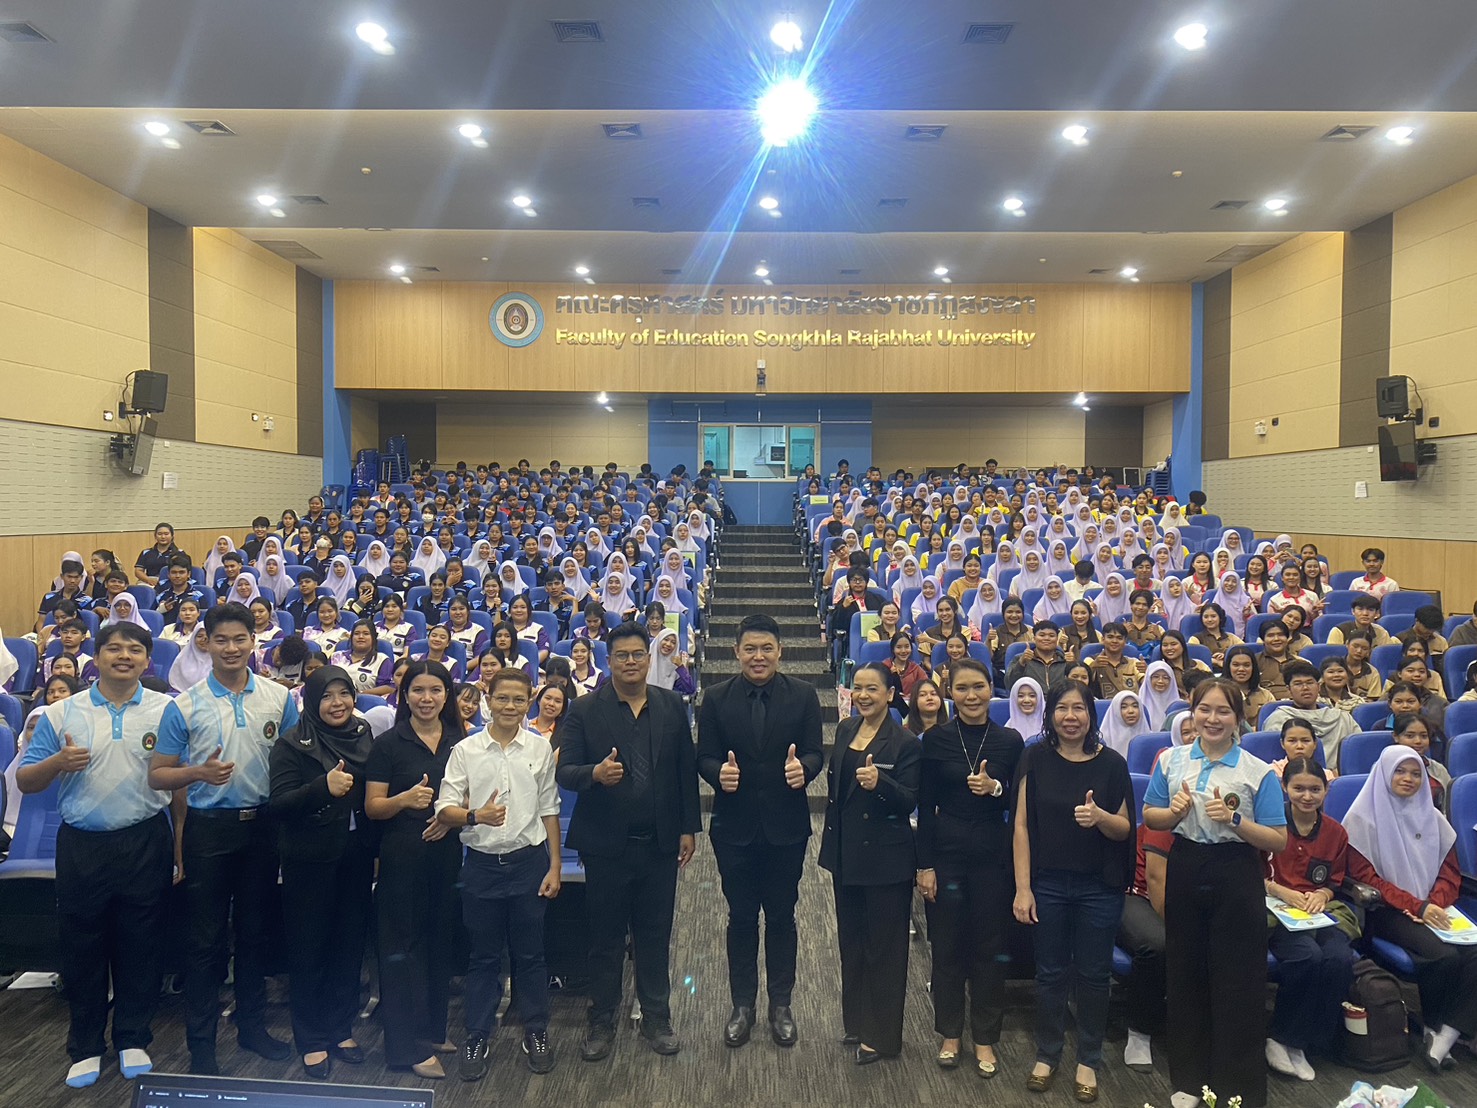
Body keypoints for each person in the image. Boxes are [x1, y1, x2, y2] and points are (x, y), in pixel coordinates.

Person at [16, 622, 175, 1089]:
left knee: (141, 944)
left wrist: (182, 847)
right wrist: (57, 763)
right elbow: (26, 780)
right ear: (97, 656)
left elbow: (178, 784)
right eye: (114, 648)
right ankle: (85, 1046)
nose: (124, 656)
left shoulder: (167, 710)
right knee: (82, 946)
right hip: (83, 844)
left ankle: (133, 1037)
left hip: (146, 839)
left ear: (147, 660)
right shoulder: (61, 711)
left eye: (134, 650)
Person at [149, 603, 300, 1074]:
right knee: (204, 942)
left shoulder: (279, 698)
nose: (231, 648)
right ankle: (202, 1046)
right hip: (208, 829)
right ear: (206, 643)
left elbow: (293, 765)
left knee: (255, 934)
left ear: (254, 641)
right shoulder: (184, 704)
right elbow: (158, 775)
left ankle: (252, 1029)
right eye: (221, 640)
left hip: (263, 828)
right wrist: (198, 773)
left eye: (240, 639)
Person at [556, 621, 700, 1060]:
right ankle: (601, 1021)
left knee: (654, 936)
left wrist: (688, 827)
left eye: (639, 654)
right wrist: (595, 774)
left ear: (649, 658)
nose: (631, 662)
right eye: (622, 655)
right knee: (605, 939)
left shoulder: (670, 704)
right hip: (605, 846)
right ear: (609, 660)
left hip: (659, 844)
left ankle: (657, 1018)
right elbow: (565, 771)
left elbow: (685, 771)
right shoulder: (584, 710)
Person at [1143, 678, 1288, 1108]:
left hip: (1236, 872)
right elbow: (1150, 817)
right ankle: (1189, 1081)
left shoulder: (1257, 771)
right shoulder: (1170, 761)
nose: (1212, 718)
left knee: (1238, 980)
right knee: (1185, 974)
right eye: (1204, 709)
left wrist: (1235, 820)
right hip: (1186, 864)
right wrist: (1172, 813)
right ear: (1192, 713)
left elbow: (1278, 839)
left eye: (1223, 711)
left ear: (1238, 718)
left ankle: (1237, 1086)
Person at [695, 613, 822, 1049]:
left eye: (767, 648)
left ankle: (781, 1005)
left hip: (786, 827)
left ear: (780, 651)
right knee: (742, 918)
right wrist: (718, 774)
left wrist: (804, 769)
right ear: (736, 652)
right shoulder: (716, 698)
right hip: (734, 828)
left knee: (783, 917)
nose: (758, 656)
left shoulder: (803, 695)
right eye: (750, 648)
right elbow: (704, 755)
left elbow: (815, 751)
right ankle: (742, 1005)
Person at [434, 668, 562, 1080]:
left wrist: (555, 865)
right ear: (488, 700)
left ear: (529, 702)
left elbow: (549, 808)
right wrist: (476, 816)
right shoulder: (465, 750)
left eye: (519, 700)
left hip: (529, 863)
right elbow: (444, 809)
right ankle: (477, 1034)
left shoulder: (539, 747)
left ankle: (536, 1029)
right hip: (482, 866)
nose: (510, 706)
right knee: (483, 957)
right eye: (502, 698)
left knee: (531, 954)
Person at [1012, 680, 1133, 1103]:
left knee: (1094, 975)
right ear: (1050, 715)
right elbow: (1021, 826)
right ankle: (1047, 1054)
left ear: (1091, 715)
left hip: (1099, 887)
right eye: (1061, 708)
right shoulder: (1034, 758)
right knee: (1049, 973)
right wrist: (1023, 888)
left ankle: (1088, 1059)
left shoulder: (1113, 764)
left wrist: (1100, 817)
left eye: (1078, 708)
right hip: (1047, 883)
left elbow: (1124, 830)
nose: (1070, 717)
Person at [267, 666, 376, 1080]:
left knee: (348, 946)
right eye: (327, 696)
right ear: (312, 701)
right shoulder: (291, 744)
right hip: (309, 859)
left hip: (354, 856)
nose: (337, 703)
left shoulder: (362, 733)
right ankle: (311, 1038)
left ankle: (340, 1028)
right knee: (309, 949)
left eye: (344, 694)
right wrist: (321, 789)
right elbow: (279, 805)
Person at [917, 658, 1023, 1077]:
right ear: (950, 692)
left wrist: (995, 788)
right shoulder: (935, 739)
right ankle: (949, 1034)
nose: (971, 695)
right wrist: (924, 865)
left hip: (992, 856)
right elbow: (925, 805)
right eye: (962, 688)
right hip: (946, 854)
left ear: (991, 688)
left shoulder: (1010, 741)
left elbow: (1021, 801)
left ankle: (985, 1038)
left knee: (987, 948)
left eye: (979, 686)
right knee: (946, 947)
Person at [1345, 746, 1477, 1071]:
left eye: (1416, 773)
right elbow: (1367, 879)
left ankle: (1446, 1033)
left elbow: (1450, 872)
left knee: (1474, 951)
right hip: (1384, 911)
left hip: (1432, 906)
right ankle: (1433, 1025)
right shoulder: (1361, 819)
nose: (1408, 779)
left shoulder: (1434, 818)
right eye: (1400, 772)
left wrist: (1435, 903)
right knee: (1444, 955)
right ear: (1385, 774)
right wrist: (1417, 906)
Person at [364, 660, 464, 1078]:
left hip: (446, 854)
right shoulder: (389, 743)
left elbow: (471, 795)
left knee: (439, 942)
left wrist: (449, 817)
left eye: (435, 690)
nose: (427, 698)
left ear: (447, 695)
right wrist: (404, 800)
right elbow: (373, 807)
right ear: (405, 696)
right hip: (402, 855)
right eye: (418, 690)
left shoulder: (461, 740)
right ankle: (405, 1049)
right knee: (403, 950)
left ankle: (432, 1031)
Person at [819, 663, 921, 1064]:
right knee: (854, 943)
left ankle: (882, 1036)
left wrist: (882, 785)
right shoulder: (846, 729)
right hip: (846, 854)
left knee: (885, 949)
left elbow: (910, 799)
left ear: (890, 695)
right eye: (858, 688)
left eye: (872, 689)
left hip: (886, 858)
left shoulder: (905, 742)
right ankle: (858, 1022)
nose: (863, 695)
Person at [1263, 758, 1357, 1081]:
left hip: (1318, 911)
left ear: (1326, 790)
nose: (1307, 796)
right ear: (1285, 788)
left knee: (1339, 958)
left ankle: (1305, 1041)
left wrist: (1323, 895)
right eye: (1298, 788)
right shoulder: (1271, 825)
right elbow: (1253, 872)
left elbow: (1335, 881)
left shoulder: (1335, 832)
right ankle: (1280, 1037)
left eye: (1315, 789)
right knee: (1307, 956)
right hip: (1277, 910)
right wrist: (1281, 891)